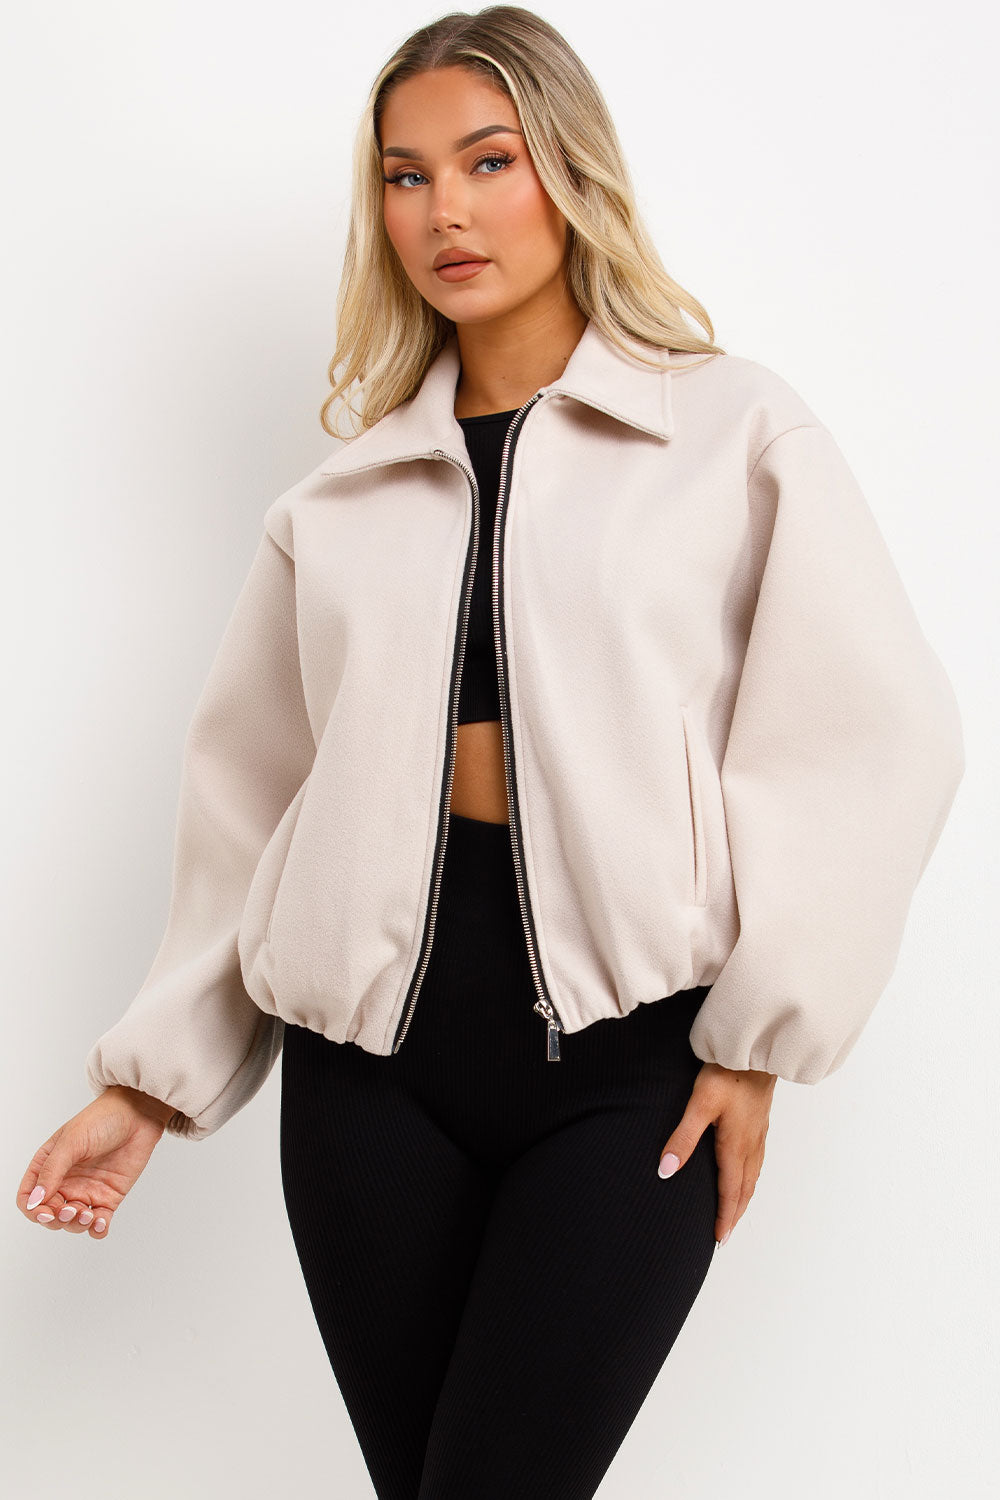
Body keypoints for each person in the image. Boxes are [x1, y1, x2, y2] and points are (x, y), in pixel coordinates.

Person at [16, 7, 965, 1498]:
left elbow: (867, 736)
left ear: (570, 172)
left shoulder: (729, 434)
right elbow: (251, 803)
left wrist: (759, 1034)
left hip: (631, 1069)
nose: (443, 211)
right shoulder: (342, 499)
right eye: (404, 177)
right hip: (367, 1087)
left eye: (487, 161)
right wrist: (151, 1085)